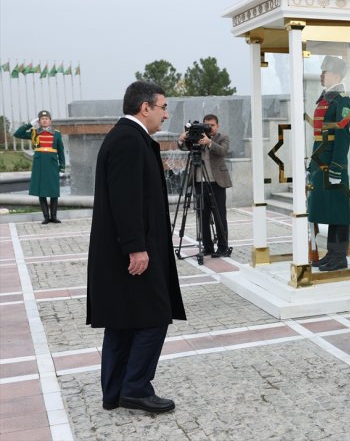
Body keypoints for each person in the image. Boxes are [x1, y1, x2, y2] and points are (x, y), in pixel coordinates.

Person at [86, 81, 186, 413]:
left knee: (123, 319)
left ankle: (114, 391)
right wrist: (136, 247)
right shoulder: (129, 140)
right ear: (145, 107)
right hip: (132, 252)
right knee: (154, 315)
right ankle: (136, 388)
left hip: (123, 250)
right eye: (163, 106)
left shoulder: (127, 137)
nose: (166, 113)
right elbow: (125, 200)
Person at [308, 56, 350, 272]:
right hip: (321, 164)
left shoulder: (342, 101)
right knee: (327, 210)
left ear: (335, 74)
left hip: (334, 166)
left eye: (324, 71)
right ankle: (331, 253)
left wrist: (337, 167)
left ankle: (340, 256)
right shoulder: (326, 98)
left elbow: (342, 137)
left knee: (339, 211)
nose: (321, 75)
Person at [177, 114, 232, 257]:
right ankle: (207, 247)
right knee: (202, 216)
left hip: (217, 183)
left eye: (212, 125)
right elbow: (183, 148)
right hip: (199, 182)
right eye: (207, 125)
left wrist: (209, 142)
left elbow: (223, 151)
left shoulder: (222, 138)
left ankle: (223, 247)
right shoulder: (197, 136)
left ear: (217, 126)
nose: (209, 128)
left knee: (220, 215)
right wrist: (182, 139)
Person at [14, 110, 65, 224]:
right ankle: (46, 217)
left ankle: (54, 216)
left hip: (52, 165)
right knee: (41, 191)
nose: (45, 120)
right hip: (40, 165)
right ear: (39, 121)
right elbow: (17, 134)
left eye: (47, 119)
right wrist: (29, 125)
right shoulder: (34, 133)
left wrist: (62, 167)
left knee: (53, 191)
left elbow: (60, 151)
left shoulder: (56, 134)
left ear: (50, 121)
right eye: (42, 119)